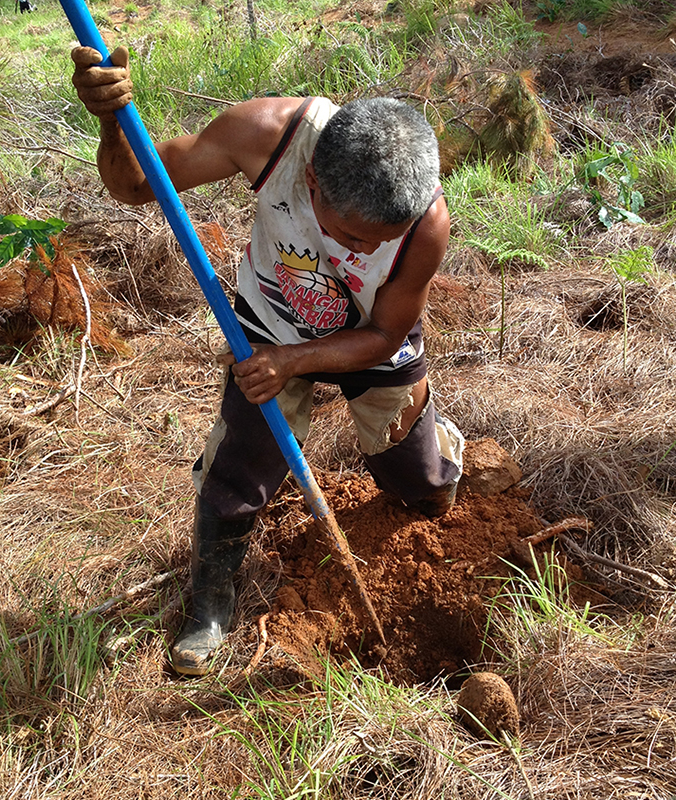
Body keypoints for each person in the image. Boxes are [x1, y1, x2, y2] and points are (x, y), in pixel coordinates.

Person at [72, 46, 465, 676]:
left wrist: (298, 359)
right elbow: (134, 186)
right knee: (237, 472)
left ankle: (436, 454)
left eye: (378, 242)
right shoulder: (265, 137)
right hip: (269, 322)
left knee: (417, 481)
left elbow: (388, 332)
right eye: (353, 236)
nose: (364, 251)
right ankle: (212, 601)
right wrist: (112, 119)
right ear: (313, 183)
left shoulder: (426, 226)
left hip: (366, 340)